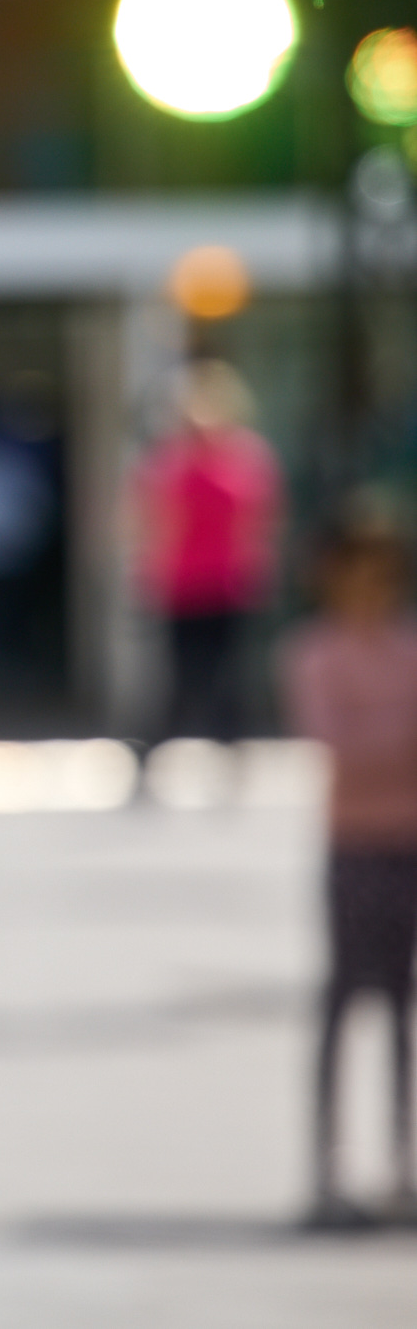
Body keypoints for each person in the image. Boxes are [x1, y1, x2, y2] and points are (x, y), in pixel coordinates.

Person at [281, 524, 417, 1227]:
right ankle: (327, 1167)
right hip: (354, 842)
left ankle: (401, 1162)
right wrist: (395, 736)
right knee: (342, 1002)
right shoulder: (318, 652)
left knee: (402, 1006)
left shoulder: (406, 650)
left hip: (407, 841)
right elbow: (336, 739)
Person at [137, 359, 282, 744]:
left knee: (229, 673)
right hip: (182, 583)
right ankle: (162, 744)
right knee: (181, 674)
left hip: (229, 582)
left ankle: (230, 743)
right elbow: (153, 522)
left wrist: (259, 572)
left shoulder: (247, 457)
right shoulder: (169, 460)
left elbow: (261, 521)